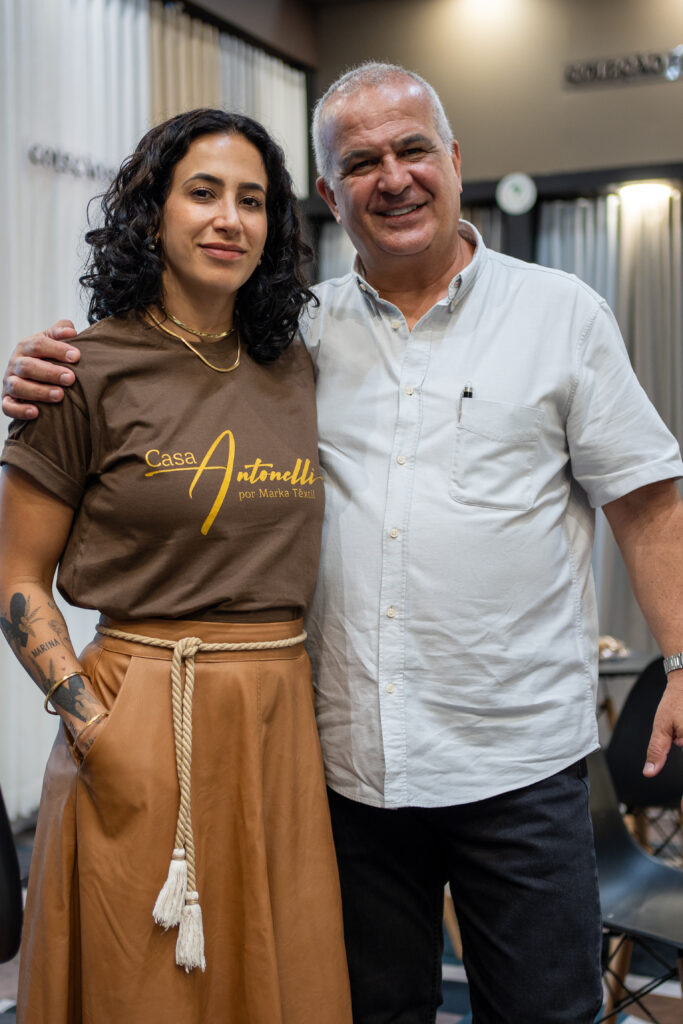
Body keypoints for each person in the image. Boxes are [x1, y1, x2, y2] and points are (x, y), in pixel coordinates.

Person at [5, 62, 683, 1024]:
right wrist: (44, 366)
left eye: (412, 150)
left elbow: (646, 501)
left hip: (514, 760)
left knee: (543, 1012)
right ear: (329, 196)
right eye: (361, 163)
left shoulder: (556, 314)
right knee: (350, 1008)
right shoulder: (300, 335)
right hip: (346, 767)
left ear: (454, 160)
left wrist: (680, 659)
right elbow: (133, 413)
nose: (392, 178)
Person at [0, 108, 352, 1024]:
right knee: (147, 987)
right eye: (203, 193)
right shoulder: (79, 372)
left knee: (277, 978)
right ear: (152, 213)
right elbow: (16, 575)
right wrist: (92, 724)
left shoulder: (300, 368)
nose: (229, 219)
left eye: (252, 200)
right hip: (140, 712)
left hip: (278, 720)